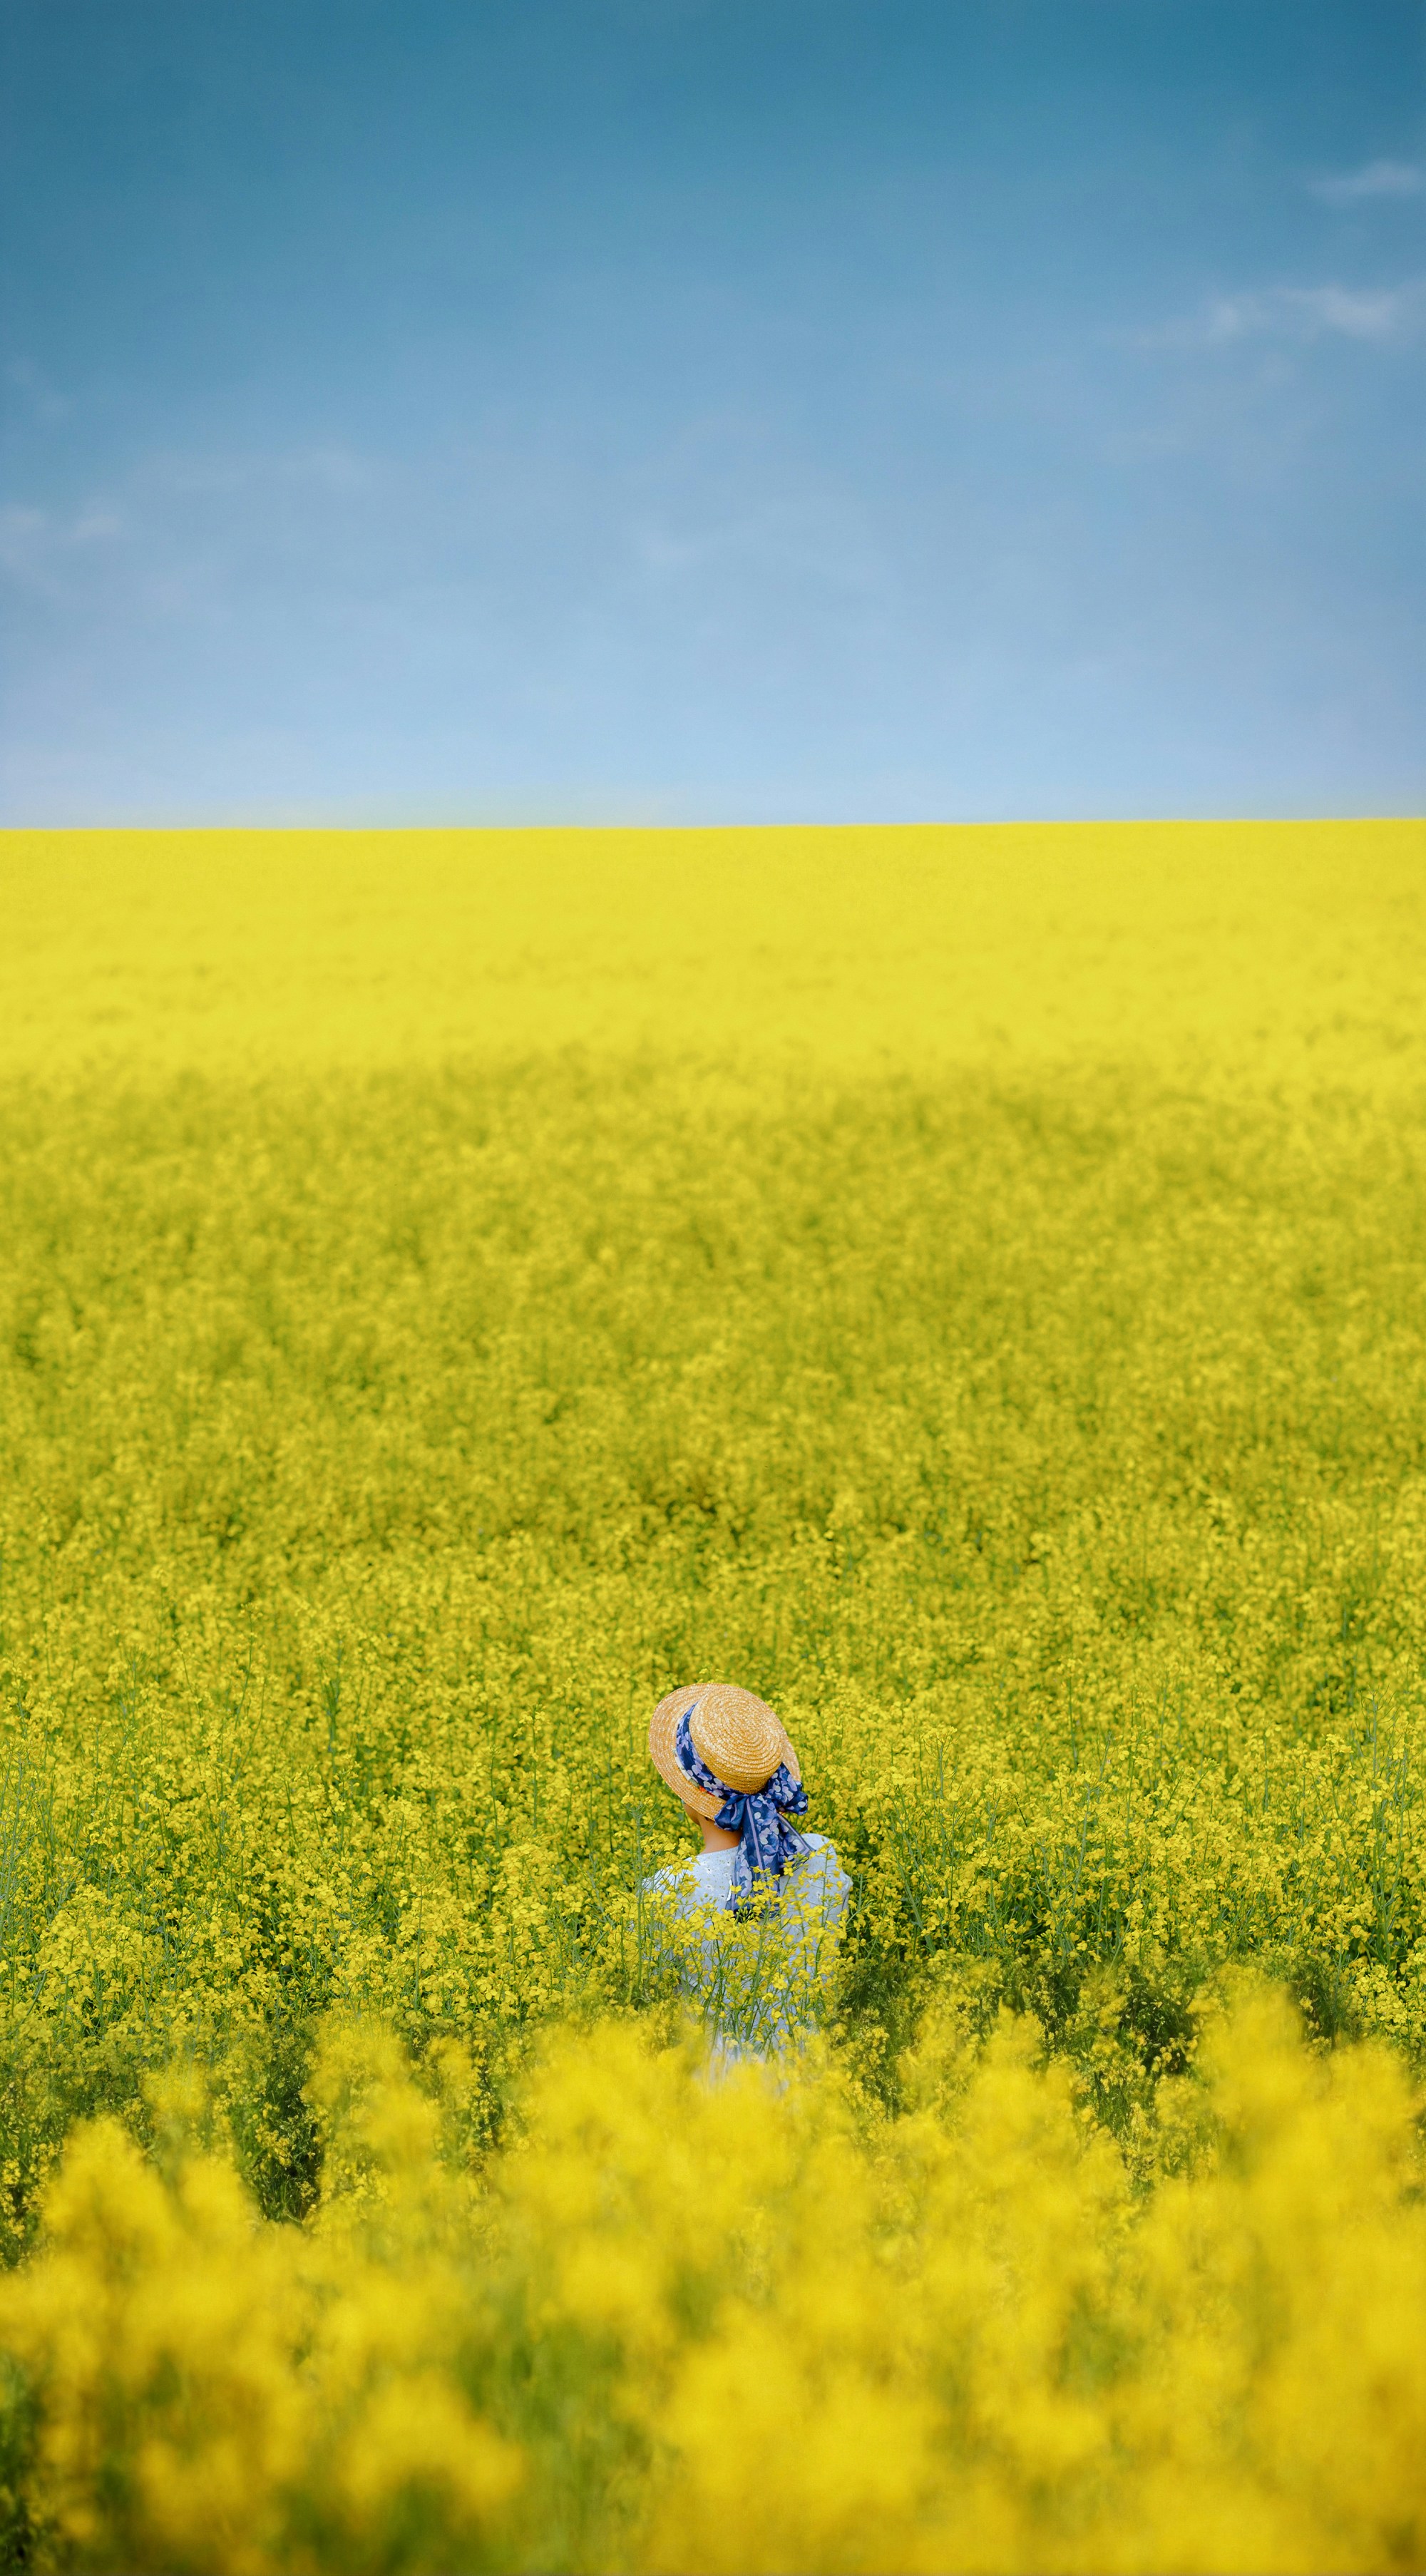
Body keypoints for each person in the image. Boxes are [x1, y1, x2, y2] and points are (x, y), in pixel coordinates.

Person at [642, 1681, 850, 2066]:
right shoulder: (822, 1861)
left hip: (718, 2103)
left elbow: (654, 2011)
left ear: (689, 1794)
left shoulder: (669, 1890)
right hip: (814, 2091)